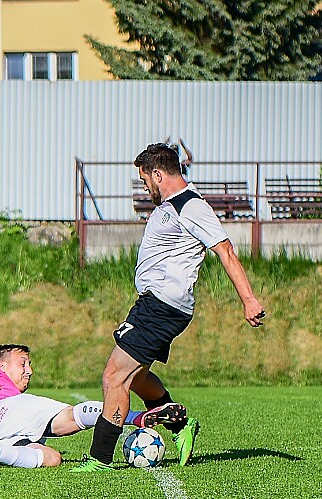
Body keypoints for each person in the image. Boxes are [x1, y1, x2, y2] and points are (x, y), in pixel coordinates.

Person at [72, 143, 266, 472]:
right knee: (136, 377)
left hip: (161, 307)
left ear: (158, 174)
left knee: (113, 377)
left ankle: (101, 458)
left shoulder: (191, 206)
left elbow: (226, 251)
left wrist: (249, 299)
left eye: (145, 178)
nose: (145, 186)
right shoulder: (172, 206)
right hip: (154, 304)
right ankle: (179, 424)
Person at [0, 344, 185, 468]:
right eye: (23, 364)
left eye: (30, 364)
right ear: (1, 367)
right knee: (71, 416)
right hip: (6, 416)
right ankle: (136, 418)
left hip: (5, 436)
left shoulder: (11, 397)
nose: (29, 370)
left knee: (52, 458)